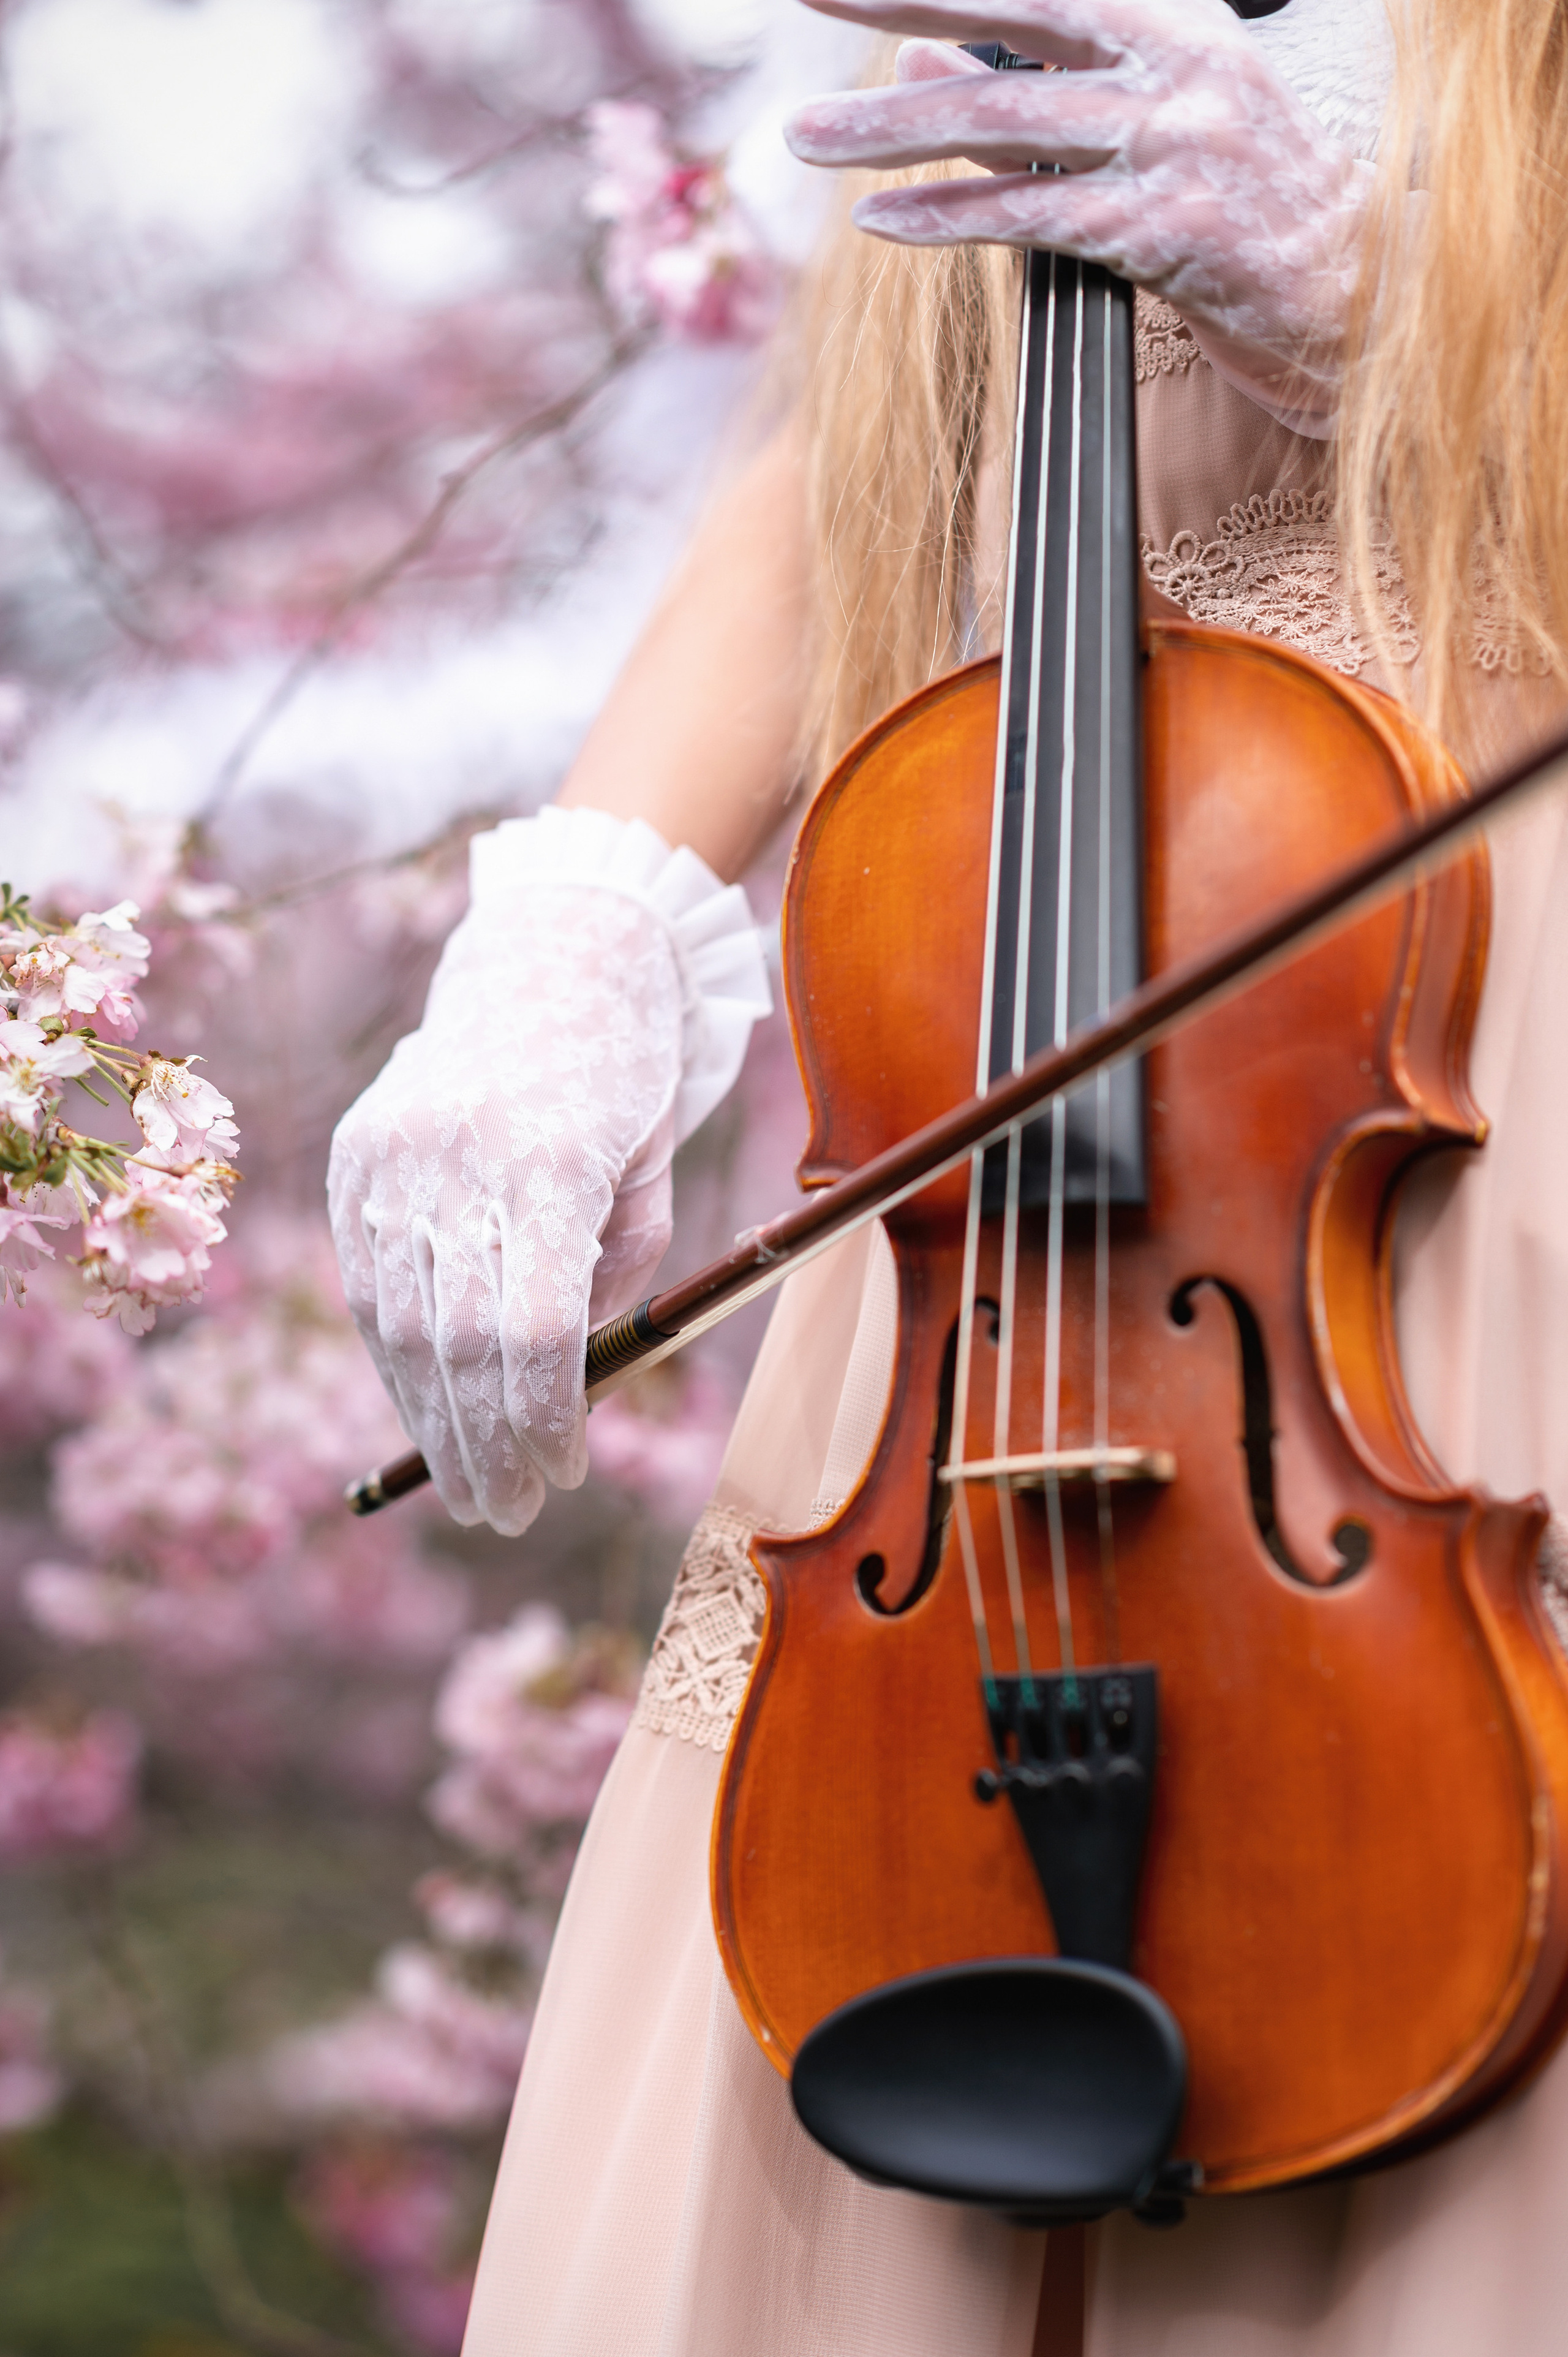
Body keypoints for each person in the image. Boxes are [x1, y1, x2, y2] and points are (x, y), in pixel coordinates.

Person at [326, 2, 1568, 2349]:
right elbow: (852, 468)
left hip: (1482, 1042)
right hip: (1026, 1066)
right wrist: (571, 940)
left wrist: (1414, 317)